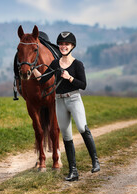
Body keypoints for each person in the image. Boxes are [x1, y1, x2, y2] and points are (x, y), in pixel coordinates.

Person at [32, 31, 100, 181]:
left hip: (74, 99)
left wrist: (69, 78)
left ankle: (95, 161)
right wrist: (32, 68)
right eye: (61, 44)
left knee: (82, 128)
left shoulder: (77, 64)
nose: (63, 47)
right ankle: (73, 171)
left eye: (66, 44)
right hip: (59, 101)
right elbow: (43, 79)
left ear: (72, 46)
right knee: (67, 135)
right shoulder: (55, 64)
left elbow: (83, 85)